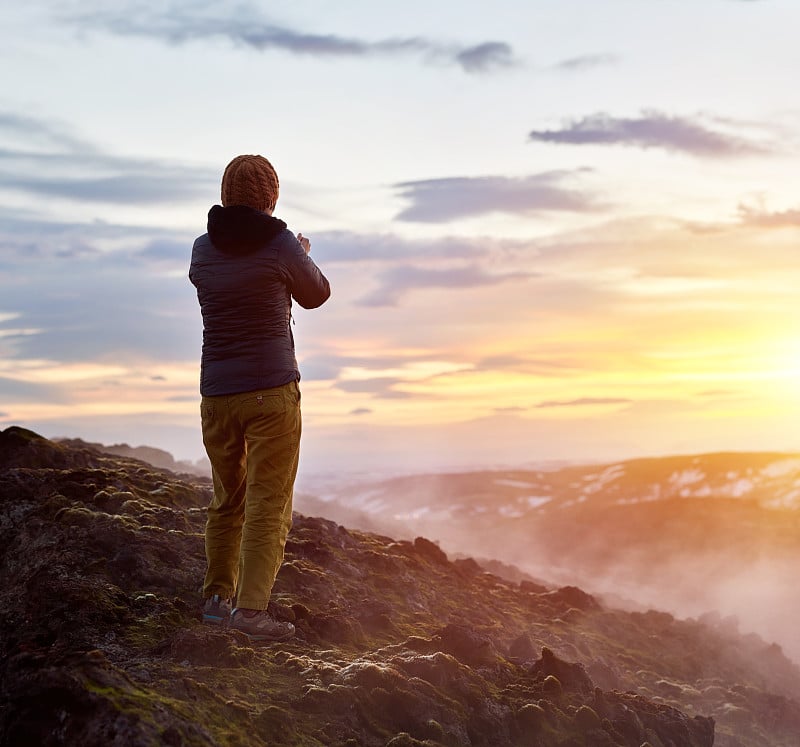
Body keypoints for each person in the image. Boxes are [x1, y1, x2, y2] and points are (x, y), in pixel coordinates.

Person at [189, 154, 330, 641]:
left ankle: (215, 601)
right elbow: (316, 294)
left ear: (227, 195)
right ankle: (250, 614)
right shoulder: (282, 244)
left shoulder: (201, 249)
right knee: (268, 503)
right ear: (271, 198)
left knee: (227, 499)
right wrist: (301, 255)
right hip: (271, 393)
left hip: (218, 396)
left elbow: (223, 281)